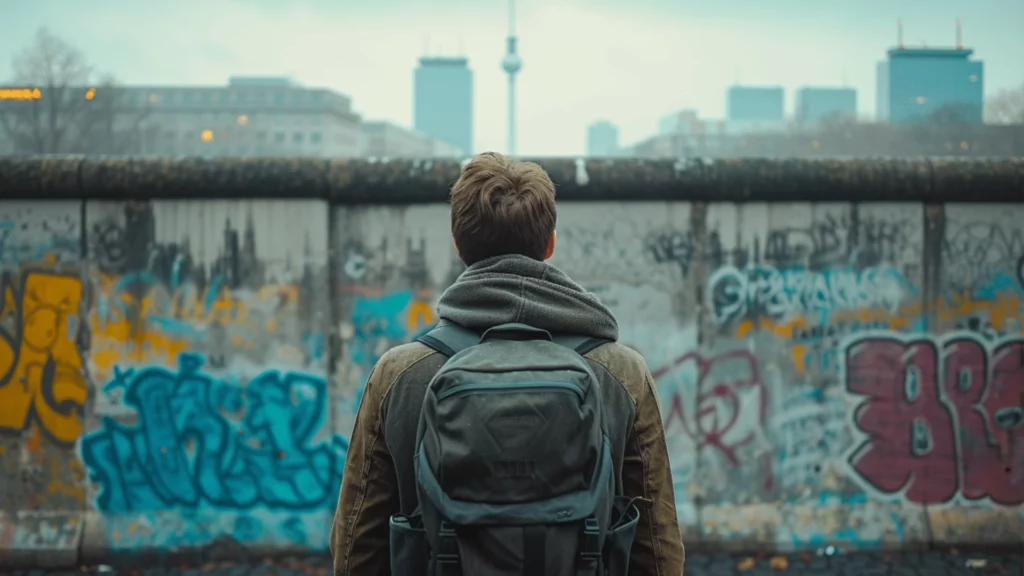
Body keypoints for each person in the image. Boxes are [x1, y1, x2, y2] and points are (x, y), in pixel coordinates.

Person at [330, 152, 684, 576]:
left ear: (459, 245)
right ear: (549, 243)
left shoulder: (400, 374)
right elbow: (658, 550)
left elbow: (356, 550)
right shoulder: (622, 373)